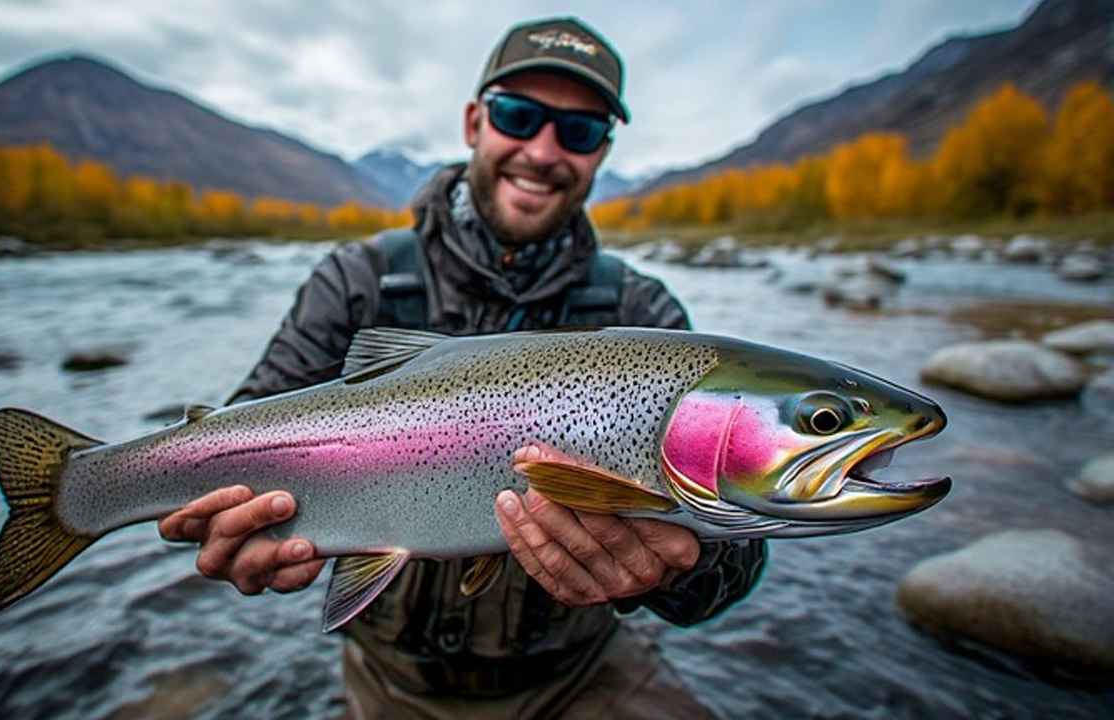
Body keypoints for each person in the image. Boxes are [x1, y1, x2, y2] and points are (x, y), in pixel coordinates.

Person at [158, 16, 766, 718]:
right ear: (475, 121)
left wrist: (681, 570)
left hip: (580, 674)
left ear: (601, 153)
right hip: (392, 681)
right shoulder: (360, 280)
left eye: (579, 131)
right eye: (518, 116)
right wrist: (237, 521)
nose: (542, 152)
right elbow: (248, 424)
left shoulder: (642, 312)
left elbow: (739, 559)